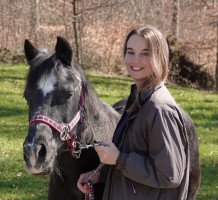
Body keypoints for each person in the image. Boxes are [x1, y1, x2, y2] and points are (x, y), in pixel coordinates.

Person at [77, 25, 190, 200]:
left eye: (145, 53)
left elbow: (169, 175)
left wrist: (119, 159)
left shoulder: (159, 109)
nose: (135, 60)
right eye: (130, 52)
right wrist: (102, 175)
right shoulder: (139, 100)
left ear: (159, 57)